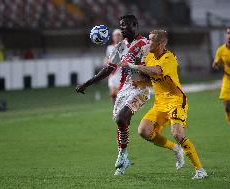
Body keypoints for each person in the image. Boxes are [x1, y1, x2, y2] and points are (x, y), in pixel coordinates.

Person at [76, 14, 183, 176]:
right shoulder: (119, 47)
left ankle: (122, 156)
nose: (122, 28)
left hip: (141, 89)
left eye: (126, 25)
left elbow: (163, 62)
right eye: (121, 25)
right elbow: (108, 69)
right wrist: (87, 83)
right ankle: (125, 154)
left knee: (121, 118)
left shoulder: (146, 44)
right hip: (124, 89)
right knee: (120, 123)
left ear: (135, 25)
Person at [127, 30, 207, 179]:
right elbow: (153, 79)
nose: (148, 42)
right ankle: (176, 149)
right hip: (160, 102)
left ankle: (200, 170)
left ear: (161, 43)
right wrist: (140, 82)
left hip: (176, 100)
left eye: (151, 40)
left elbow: (157, 71)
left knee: (177, 133)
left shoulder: (169, 58)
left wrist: (136, 67)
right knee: (143, 131)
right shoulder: (150, 56)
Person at [103, 29, 123, 104]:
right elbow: (107, 58)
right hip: (112, 74)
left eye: (118, 35)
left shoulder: (124, 46)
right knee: (112, 94)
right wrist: (106, 62)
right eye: (115, 35)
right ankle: (115, 111)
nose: (117, 37)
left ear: (121, 37)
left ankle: (119, 111)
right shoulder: (109, 47)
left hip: (121, 73)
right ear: (113, 37)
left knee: (119, 94)